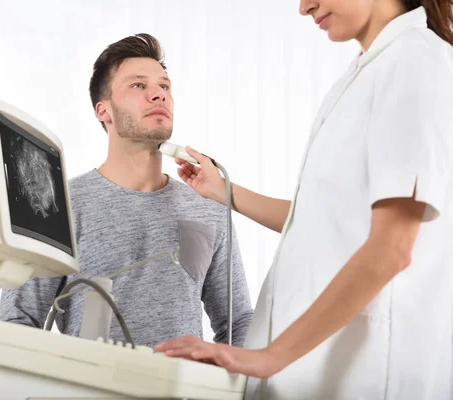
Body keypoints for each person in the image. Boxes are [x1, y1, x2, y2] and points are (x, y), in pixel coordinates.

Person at [155, 1, 453, 399]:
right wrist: (223, 192)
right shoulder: (364, 74)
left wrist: (266, 358)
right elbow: (320, 220)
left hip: (362, 376)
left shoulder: (415, 61)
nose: (303, 7)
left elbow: (392, 247)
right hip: (308, 377)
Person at [0, 33, 254, 348]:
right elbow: (19, 322)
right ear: (103, 111)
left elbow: (238, 322)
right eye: (138, 85)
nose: (158, 95)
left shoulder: (208, 207)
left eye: (164, 86)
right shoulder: (58, 206)